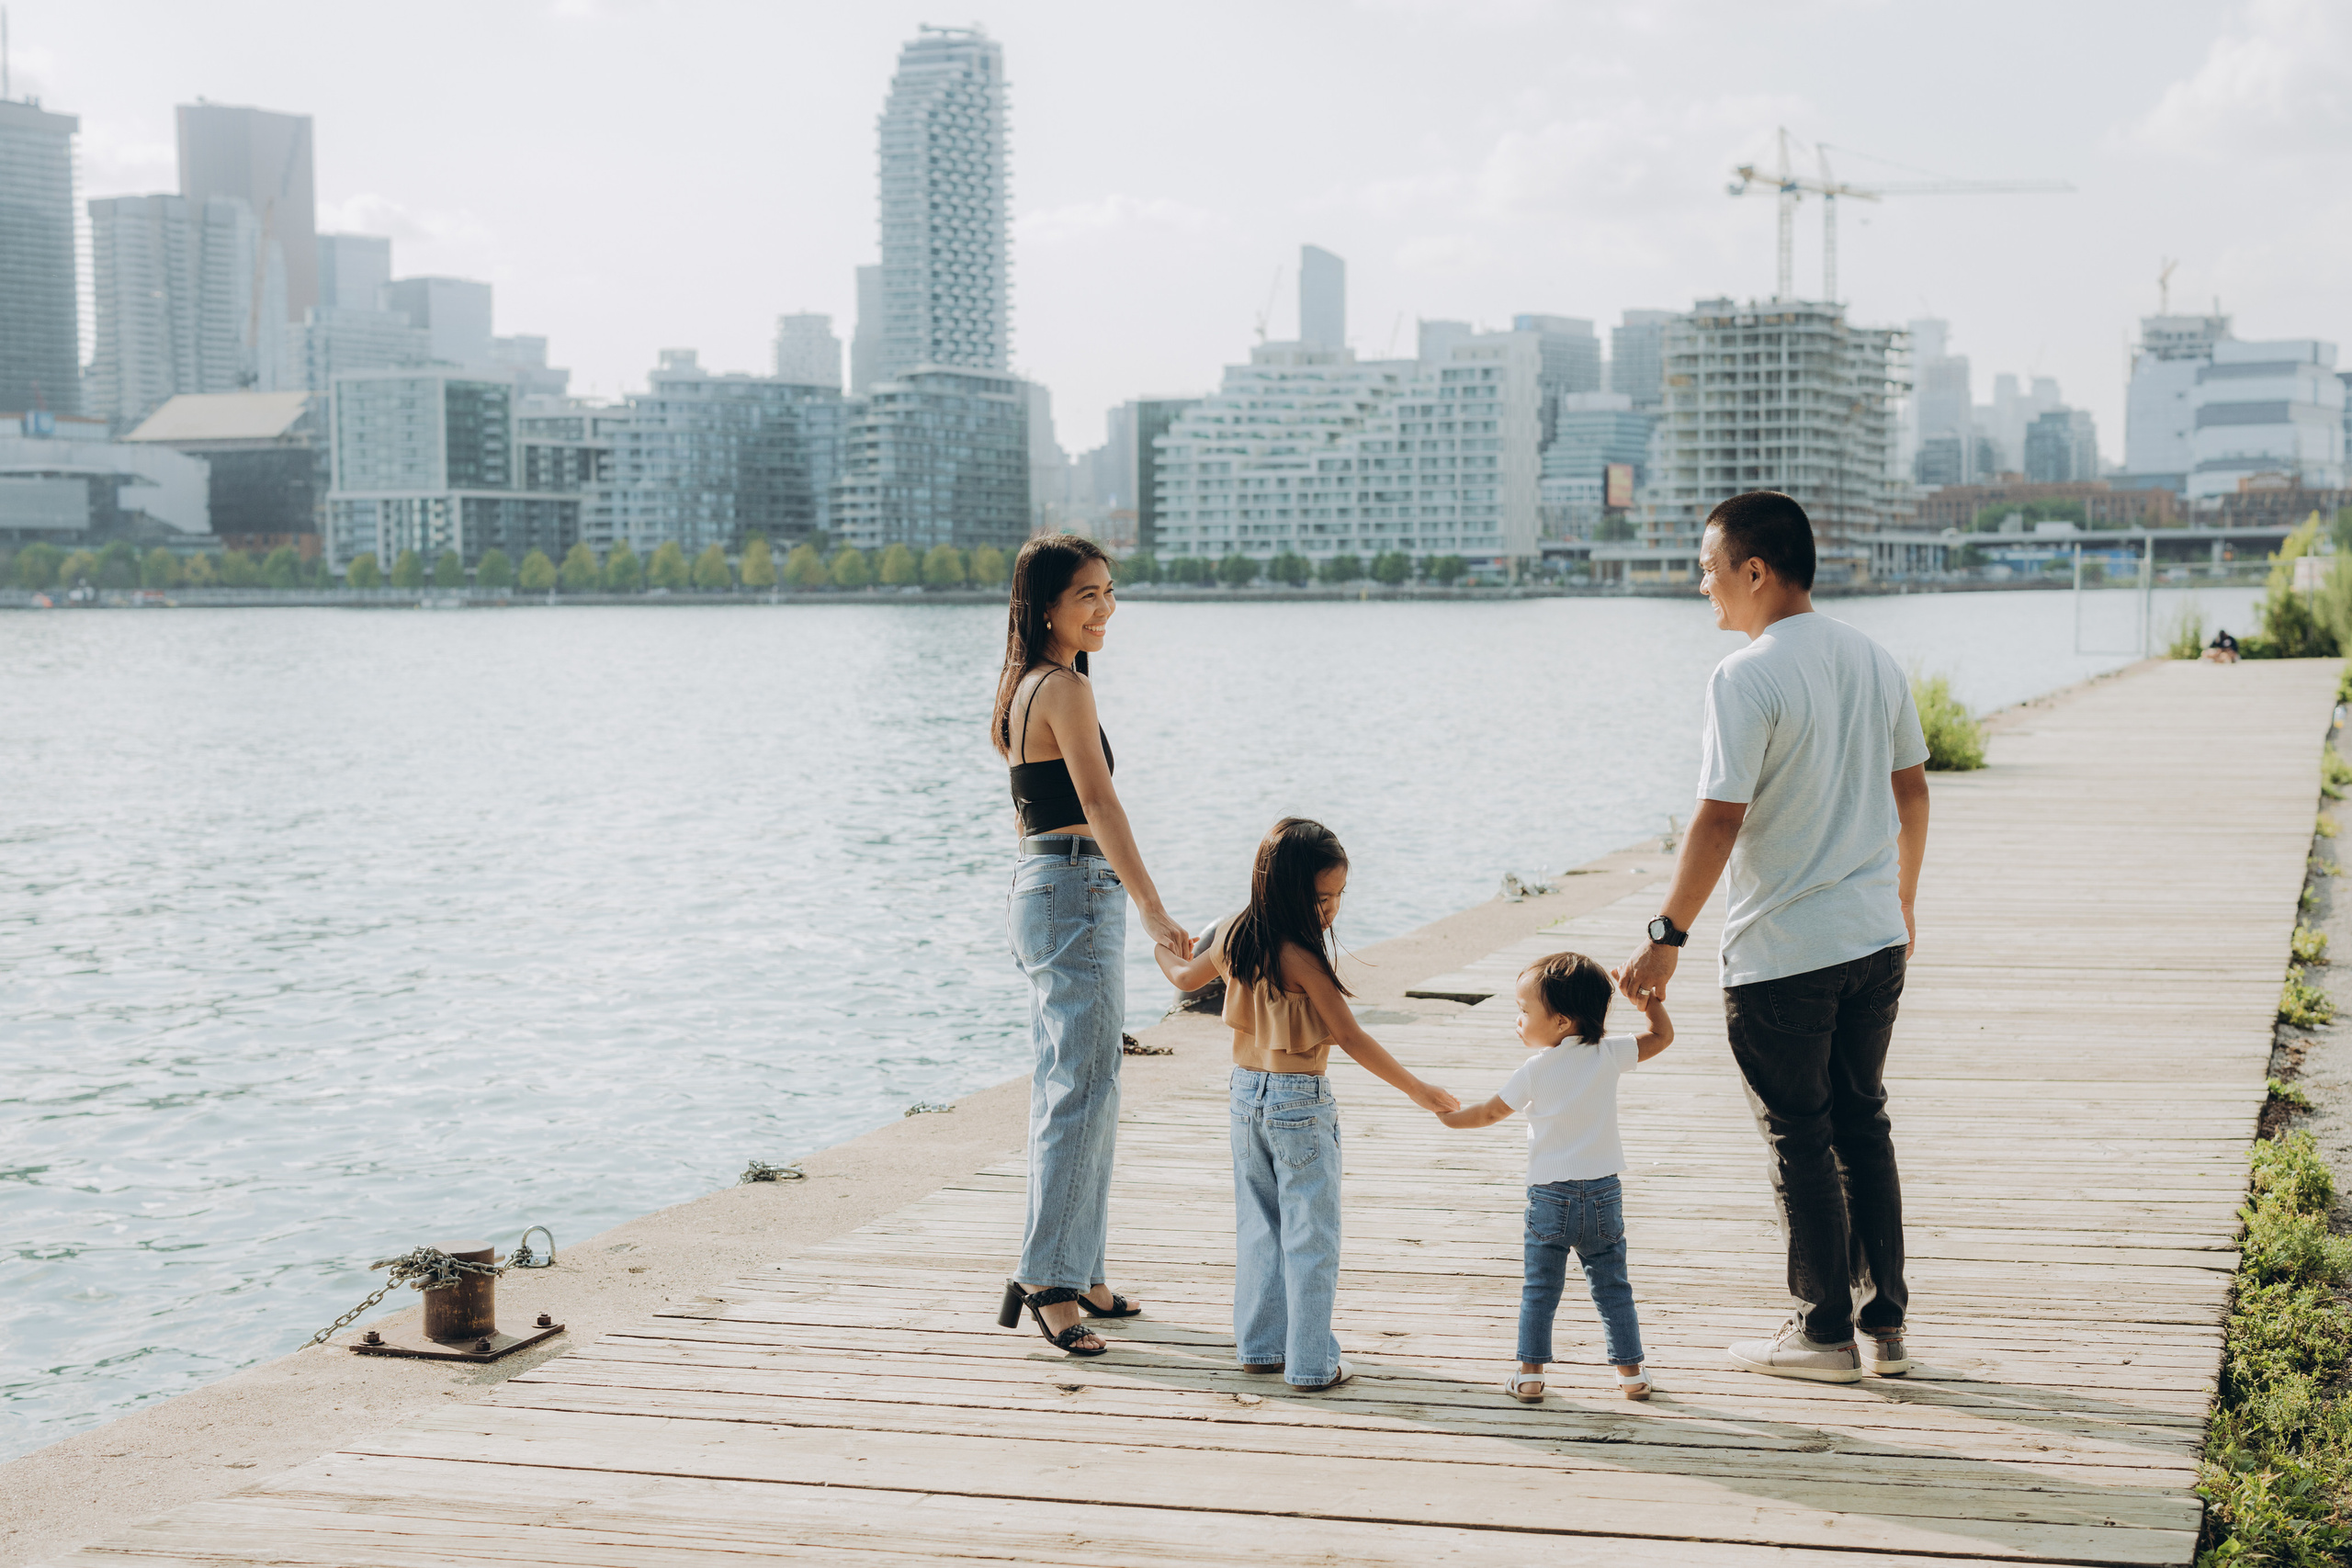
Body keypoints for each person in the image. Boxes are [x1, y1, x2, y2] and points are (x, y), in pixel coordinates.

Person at [1619, 490, 1930, 1385]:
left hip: (1784, 953)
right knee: (1862, 1123)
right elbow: (1911, 789)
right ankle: (1887, 1328)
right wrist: (1902, 900)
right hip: (1873, 940)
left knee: (1800, 1137)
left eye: (1710, 571)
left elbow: (1718, 819)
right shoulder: (1872, 658)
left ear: (1755, 571)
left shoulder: (1744, 675)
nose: (1702, 588)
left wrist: (1664, 935)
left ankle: (1822, 1333)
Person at [1156, 818, 1459, 1393]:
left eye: (1339, 896)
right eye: (1322, 897)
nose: (1331, 910)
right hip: (1298, 1102)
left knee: (1260, 1228)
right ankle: (1312, 1363)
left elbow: (1181, 974)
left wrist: (1158, 943)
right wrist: (1419, 1091)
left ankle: (1260, 1347)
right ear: (1287, 888)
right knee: (1310, 1236)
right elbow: (1350, 1036)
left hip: (1245, 1097)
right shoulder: (1301, 957)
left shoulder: (1230, 932)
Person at [989, 536, 1191, 1359]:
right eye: (1087, 595)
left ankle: (1081, 1265)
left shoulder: (1019, 688)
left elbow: (1027, 809)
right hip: (1075, 887)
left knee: (1072, 1084)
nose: (1105, 608)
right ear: (1046, 607)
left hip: (1041, 886)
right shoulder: (1063, 687)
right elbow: (1098, 803)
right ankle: (1048, 1280)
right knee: (1085, 1085)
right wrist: (1151, 907)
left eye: (1110, 592)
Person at [1436, 953, 1673, 1403]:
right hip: (1604, 1193)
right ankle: (1632, 1375)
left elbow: (1488, 1113)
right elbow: (1663, 1036)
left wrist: (1448, 1117)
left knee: (1540, 1288)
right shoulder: (1608, 1053)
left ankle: (1529, 1376)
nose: (1518, 1020)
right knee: (1612, 1285)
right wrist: (1649, 1002)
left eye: (1524, 1011)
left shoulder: (1535, 1070)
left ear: (1562, 1021)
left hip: (1551, 1197)